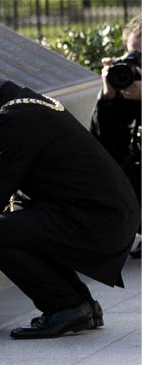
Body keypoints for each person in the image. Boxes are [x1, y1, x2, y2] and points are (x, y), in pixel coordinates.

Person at [0, 51, 140, 339]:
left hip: (100, 221)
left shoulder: (11, 118)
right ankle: (80, 306)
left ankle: (66, 306)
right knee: (13, 220)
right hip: (105, 215)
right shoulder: (19, 103)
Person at [90, 15, 141, 258]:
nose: (135, 64)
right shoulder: (125, 87)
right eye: (132, 55)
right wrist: (108, 96)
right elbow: (100, 145)